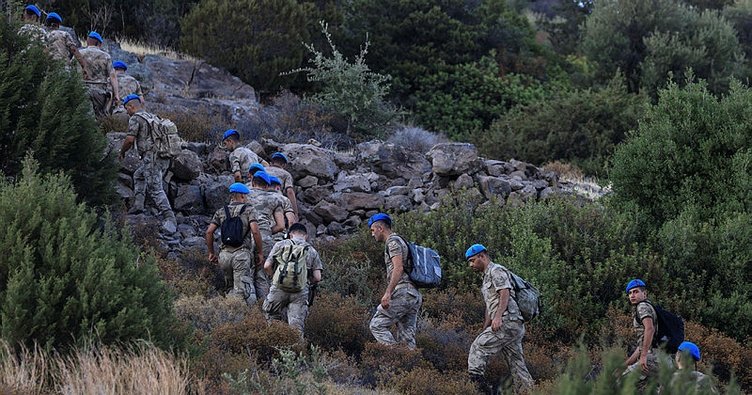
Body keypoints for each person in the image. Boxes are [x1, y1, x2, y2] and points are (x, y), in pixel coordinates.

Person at [465, 244, 534, 394]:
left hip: (508, 321)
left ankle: (480, 390)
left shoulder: (496, 270)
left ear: (482, 256)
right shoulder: (486, 276)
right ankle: (529, 391)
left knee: (478, 347)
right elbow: (491, 305)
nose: (471, 265)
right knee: (517, 365)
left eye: (472, 260)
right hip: (512, 324)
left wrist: (498, 318)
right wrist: (485, 327)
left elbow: (504, 292)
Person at [118, 94, 177, 232]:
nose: (127, 112)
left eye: (127, 109)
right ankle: (138, 205)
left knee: (155, 188)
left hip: (152, 158)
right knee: (139, 175)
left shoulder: (135, 118)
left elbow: (130, 140)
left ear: (131, 106)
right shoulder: (152, 116)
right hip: (163, 156)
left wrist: (122, 152)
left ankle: (170, 218)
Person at [367, 213, 422, 350]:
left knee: (377, 325)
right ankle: (410, 367)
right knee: (407, 338)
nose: (372, 234)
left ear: (380, 228)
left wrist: (388, 292)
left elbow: (398, 268)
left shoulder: (392, 242)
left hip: (403, 292)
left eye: (373, 230)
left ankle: (395, 355)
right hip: (413, 294)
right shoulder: (401, 240)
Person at [205, 182, 263, 306]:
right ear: (242, 196)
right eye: (246, 196)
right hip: (241, 255)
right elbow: (255, 231)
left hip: (224, 255)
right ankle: (237, 320)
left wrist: (211, 253)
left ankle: (225, 314)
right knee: (240, 292)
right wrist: (260, 252)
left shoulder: (221, 211)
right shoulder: (249, 210)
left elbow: (209, 232)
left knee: (229, 288)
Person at [262, 223, 323, 336]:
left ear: (290, 235)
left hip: (278, 288)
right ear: (305, 236)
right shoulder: (311, 250)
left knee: (271, 318)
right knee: (296, 328)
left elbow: (266, 266)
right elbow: (318, 277)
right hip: (300, 292)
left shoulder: (280, 245)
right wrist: (307, 282)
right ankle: (296, 351)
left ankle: (273, 345)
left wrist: (273, 277)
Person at [622, 279, 673, 385]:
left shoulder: (642, 306)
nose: (632, 295)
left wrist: (643, 356)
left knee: (619, 382)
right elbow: (642, 345)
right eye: (630, 293)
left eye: (636, 292)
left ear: (644, 294)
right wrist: (625, 365)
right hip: (665, 361)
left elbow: (650, 329)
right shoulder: (649, 306)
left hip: (654, 358)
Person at [246, 171, 286, 300]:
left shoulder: (244, 196)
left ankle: (248, 310)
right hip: (265, 240)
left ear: (253, 182)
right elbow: (281, 226)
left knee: (246, 274)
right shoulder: (275, 199)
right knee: (262, 276)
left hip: (245, 239)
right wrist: (266, 232)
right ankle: (263, 309)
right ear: (267, 185)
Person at [79, 31, 118, 117]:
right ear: (99, 43)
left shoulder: (79, 54)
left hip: (82, 89)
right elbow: (112, 76)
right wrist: (116, 95)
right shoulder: (106, 56)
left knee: (82, 116)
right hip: (100, 92)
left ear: (87, 41)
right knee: (99, 117)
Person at [44, 12, 90, 77]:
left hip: (47, 70)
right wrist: (84, 66)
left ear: (47, 23)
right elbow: (74, 50)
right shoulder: (64, 34)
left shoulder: (42, 35)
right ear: (58, 24)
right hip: (62, 69)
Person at [265, 152, 298, 218]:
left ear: (271, 162)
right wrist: (295, 212)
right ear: (284, 165)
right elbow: (290, 192)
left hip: (259, 197)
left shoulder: (263, 170)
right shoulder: (286, 174)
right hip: (277, 199)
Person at [268, 175, 297, 240]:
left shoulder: (259, 198)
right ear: (278, 187)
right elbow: (291, 221)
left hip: (259, 235)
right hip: (278, 237)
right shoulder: (284, 199)